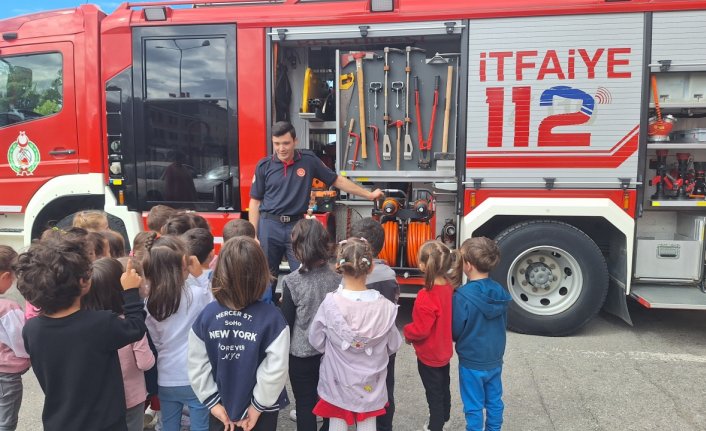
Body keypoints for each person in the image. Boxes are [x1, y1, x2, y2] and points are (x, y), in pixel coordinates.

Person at [16, 237, 146, 431]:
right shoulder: (101, 323)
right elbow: (136, 327)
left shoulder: (32, 329)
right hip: (105, 423)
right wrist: (131, 291)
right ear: (83, 282)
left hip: (59, 422)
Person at [249, 121, 384, 287]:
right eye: (276, 144)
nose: (281, 148)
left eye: (286, 143)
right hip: (269, 226)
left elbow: (337, 180)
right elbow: (255, 202)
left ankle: (295, 311)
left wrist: (369, 195)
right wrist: (253, 235)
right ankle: (268, 311)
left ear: (295, 141)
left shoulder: (308, 160)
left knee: (302, 278)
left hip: (296, 227)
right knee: (266, 278)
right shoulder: (264, 166)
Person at [188, 237, 289, 431]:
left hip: (221, 407)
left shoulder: (207, 315)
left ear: (220, 272)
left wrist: (214, 405)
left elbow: (196, 364)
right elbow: (275, 370)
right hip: (262, 412)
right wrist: (257, 407)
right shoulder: (273, 319)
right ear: (261, 273)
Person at [308, 238, 402, 431]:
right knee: (368, 423)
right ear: (371, 267)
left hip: (337, 379)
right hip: (371, 382)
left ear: (338, 266)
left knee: (336, 423)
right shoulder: (385, 307)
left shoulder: (330, 304)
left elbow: (315, 339)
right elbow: (393, 345)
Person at [142, 235, 212, 431]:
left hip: (165, 377)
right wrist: (200, 277)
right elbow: (215, 308)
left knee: (169, 426)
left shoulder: (149, 303)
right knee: (201, 426)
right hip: (195, 376)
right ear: (184, 266)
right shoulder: (196, 295)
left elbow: (154, 341)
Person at [82, 257, 156, 431]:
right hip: (131, 398)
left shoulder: (84, 324)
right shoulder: (130, 324)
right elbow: (146, 362)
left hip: (98, 399)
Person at [281, 219, 340, 431]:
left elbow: (286, 322)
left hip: (301, 354)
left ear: (298, 249)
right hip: (331, 353)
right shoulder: (337, 279)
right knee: (331, 403)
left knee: (305, 405)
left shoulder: (292, 281)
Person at [452, 237, 512, 431]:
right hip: (494, 357)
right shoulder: (500, 292)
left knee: (473, 404)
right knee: (495, 400)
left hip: (471, 360)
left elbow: (456, 329)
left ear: (468, 265)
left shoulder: (463, 296)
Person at [403, 240, 463, 431]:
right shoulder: (448, 287)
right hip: (444, 351)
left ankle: (435, 425)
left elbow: (421, 330)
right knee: (443, 386)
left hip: (429, 354)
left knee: (433, 392)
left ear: (422, 265)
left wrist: (407, 332)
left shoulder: (425, 295)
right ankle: (445, 416)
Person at [349, 218, 399, 431]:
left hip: (352, 348)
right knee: (384, 389)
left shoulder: (346, 278)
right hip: (382, 349)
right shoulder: (390, 276)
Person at [0, 245, 29, 431]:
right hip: (6, 375)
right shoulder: (8, 308)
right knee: (6, 420)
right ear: (5, 276)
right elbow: (21, 343)